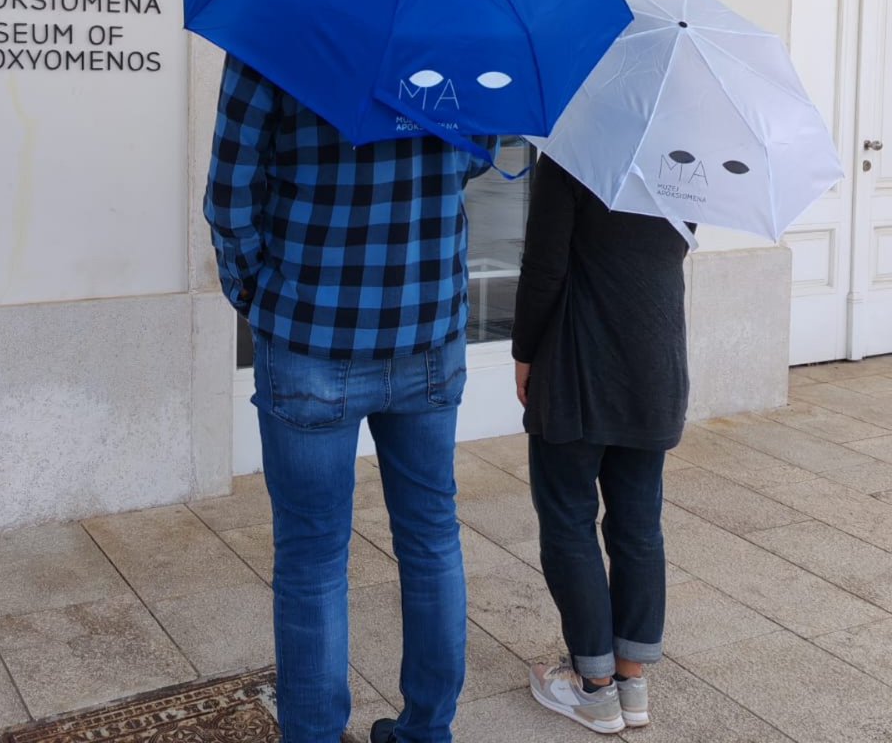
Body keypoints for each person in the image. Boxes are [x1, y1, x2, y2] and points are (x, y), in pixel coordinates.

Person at [205, 53, 493, 743]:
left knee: (312, 557)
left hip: (312, 332)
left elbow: (229, 192)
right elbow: (478, 156)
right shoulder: (457, 28)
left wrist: (259, 298)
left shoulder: (276, 22)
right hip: (426, 328)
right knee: (430, 539)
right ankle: (428, 731)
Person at [512, 153, 692, 735]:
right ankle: (630, 681)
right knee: (639, 524)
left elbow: (544, 266)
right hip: (656, 362)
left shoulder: (573, 151)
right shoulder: (685, 155)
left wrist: (523, 352)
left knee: (567, 520)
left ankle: (593, 688)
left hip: (578, 362)